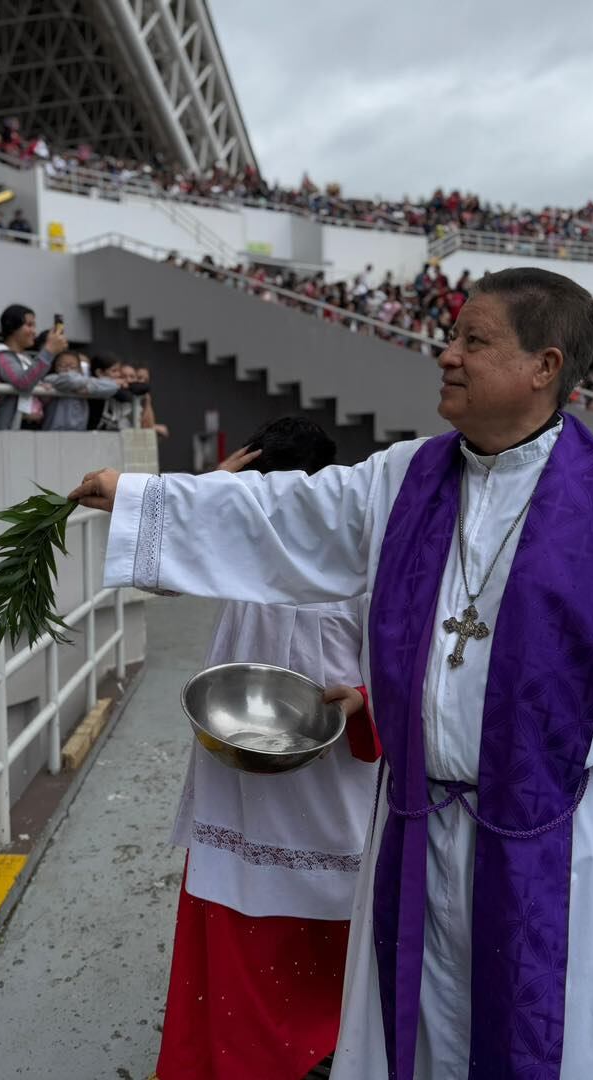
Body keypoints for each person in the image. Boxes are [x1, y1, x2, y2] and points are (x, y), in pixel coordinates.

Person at [71, 267, 593, 1079]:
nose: (447, 354)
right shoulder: (404, 480)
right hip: (415, 834)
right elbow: (283, 514)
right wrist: (140, 498)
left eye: (474, 339)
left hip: (558, 849)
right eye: (451, 336)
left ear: (545, 366)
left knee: (558, 1045)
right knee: (418, 1044)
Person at [155, 418, 382, 1080]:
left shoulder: (362, 556)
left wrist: (365, 701)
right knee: (239, 910)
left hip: (328, 776)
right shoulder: (241, 544)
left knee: (331, 910)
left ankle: (318, 1046)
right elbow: (160, 578)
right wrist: (217, 490)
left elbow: (408, 669)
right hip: (239, 771)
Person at [0, 304, 65, 430]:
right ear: (12, 327)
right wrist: (49, 350)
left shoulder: (25, 358)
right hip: (6, 431)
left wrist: (43, 388)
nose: (34, 331)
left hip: (28, 428)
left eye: (34, 325)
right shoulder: (0, 356)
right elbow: (23, 383)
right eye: (29, 325)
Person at [40, 349, 121, 431]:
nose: (68, 370)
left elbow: (113, 386)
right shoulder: (51, 378)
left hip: (79, 432)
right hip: (53, 431)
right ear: (55, 368)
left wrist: (88, 388)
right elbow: (70, 380)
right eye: (62, 366)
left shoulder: (83, 382)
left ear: (79, 369)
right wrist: (88, 383)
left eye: (73, 367)